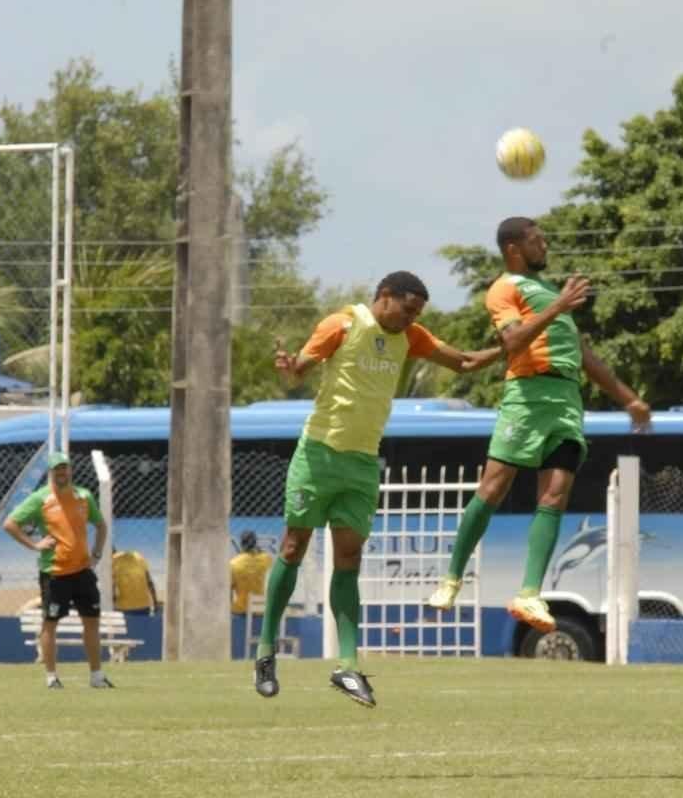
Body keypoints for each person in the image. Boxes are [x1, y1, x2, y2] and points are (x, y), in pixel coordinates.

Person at [255, 271, 501, 707]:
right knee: (293, 548)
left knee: (348, 560)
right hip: (317, 455)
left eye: (417, 314)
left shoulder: (412, 337)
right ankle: (266, 651)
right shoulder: (342, 325)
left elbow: (463, 362)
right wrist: (290, 369)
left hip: (363, 463)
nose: (411, 319)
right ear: (384, 297)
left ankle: (347, 667)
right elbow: (299, 373)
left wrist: (514, 345)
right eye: (407, 309)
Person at [427, 217, 651, 633]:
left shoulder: (549, 293)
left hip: (566, 401)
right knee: (494, 487)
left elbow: (585, 357)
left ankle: (530, 593)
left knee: (555, 495)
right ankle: (451, 578)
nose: (545, 245)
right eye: (537, 239)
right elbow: (512, 342)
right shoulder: (504, 288)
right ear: (514, 248)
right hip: (527, 397)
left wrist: (630, 399)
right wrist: (558, 306)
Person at [4, 452, 113, 689]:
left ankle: (97, 675)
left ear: (70, 470)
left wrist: (96, 554)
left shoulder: (83, 496)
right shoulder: (40, 499)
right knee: (50, 622)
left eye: (65, 468)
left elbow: (101, 524)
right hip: (55, 573)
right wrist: (35, 545)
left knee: (92, 621)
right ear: (51, 472)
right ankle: (51, 677)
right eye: (57, 469)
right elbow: (10, 524)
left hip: (83, 571)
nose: (62, 473)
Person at [230, 531, 273, 615]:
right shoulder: (266, 559)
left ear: (241, 544)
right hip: (260, 608)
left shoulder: (234, 563)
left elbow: (230, 589)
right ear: (255, 543)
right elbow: (263, 554)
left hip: (241, 609)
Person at [112, 547, 159, 617]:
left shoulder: (112, 561)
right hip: (144, 606)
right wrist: (155, 602)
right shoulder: (138, 556)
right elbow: (149, 582)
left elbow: (112, 590)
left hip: (123, 608)